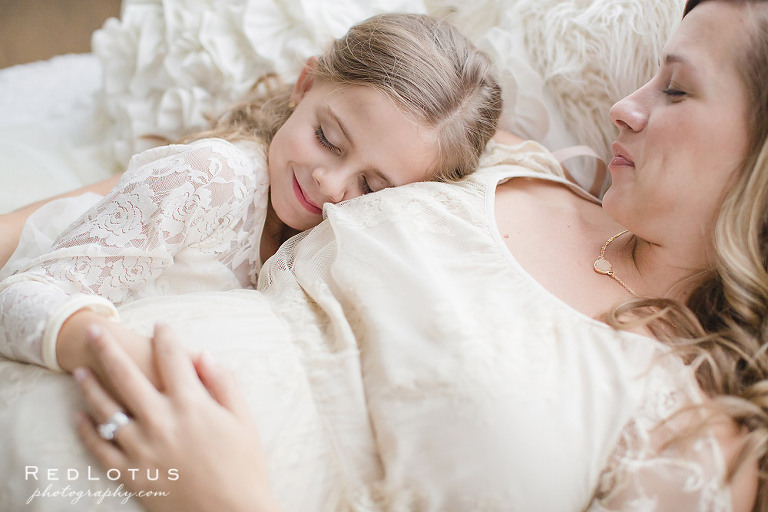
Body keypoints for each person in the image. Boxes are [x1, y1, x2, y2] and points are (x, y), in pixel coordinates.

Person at [42, 0, 766, 510]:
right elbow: (188, 185)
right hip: (51, 373)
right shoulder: (511, 164)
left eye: (675, 88)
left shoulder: (694, 441)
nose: (624, 107)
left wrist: (226, 501)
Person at [0, 13, 502, 378]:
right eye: (327, 138)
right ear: (303, 87)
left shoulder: (333, 244)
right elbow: (18, 295)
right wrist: (123, 358)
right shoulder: (212, 178)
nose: (330, 183)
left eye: (371, 186)